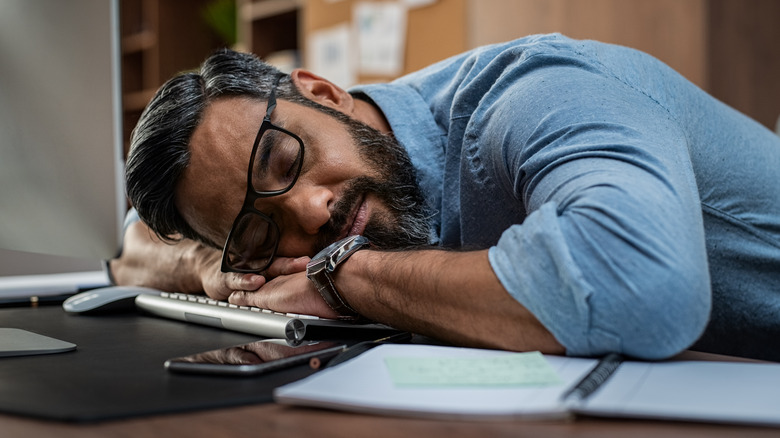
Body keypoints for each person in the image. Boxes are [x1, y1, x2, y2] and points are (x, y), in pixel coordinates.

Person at [114, 33, 780, 362]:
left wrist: (346, 277)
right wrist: (215, 268)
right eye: (261, 230)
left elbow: (641, 288)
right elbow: (135, 240)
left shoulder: (531, 95)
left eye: (286, 160)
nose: (311, 213)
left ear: (321, 92)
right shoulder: (297, 205)